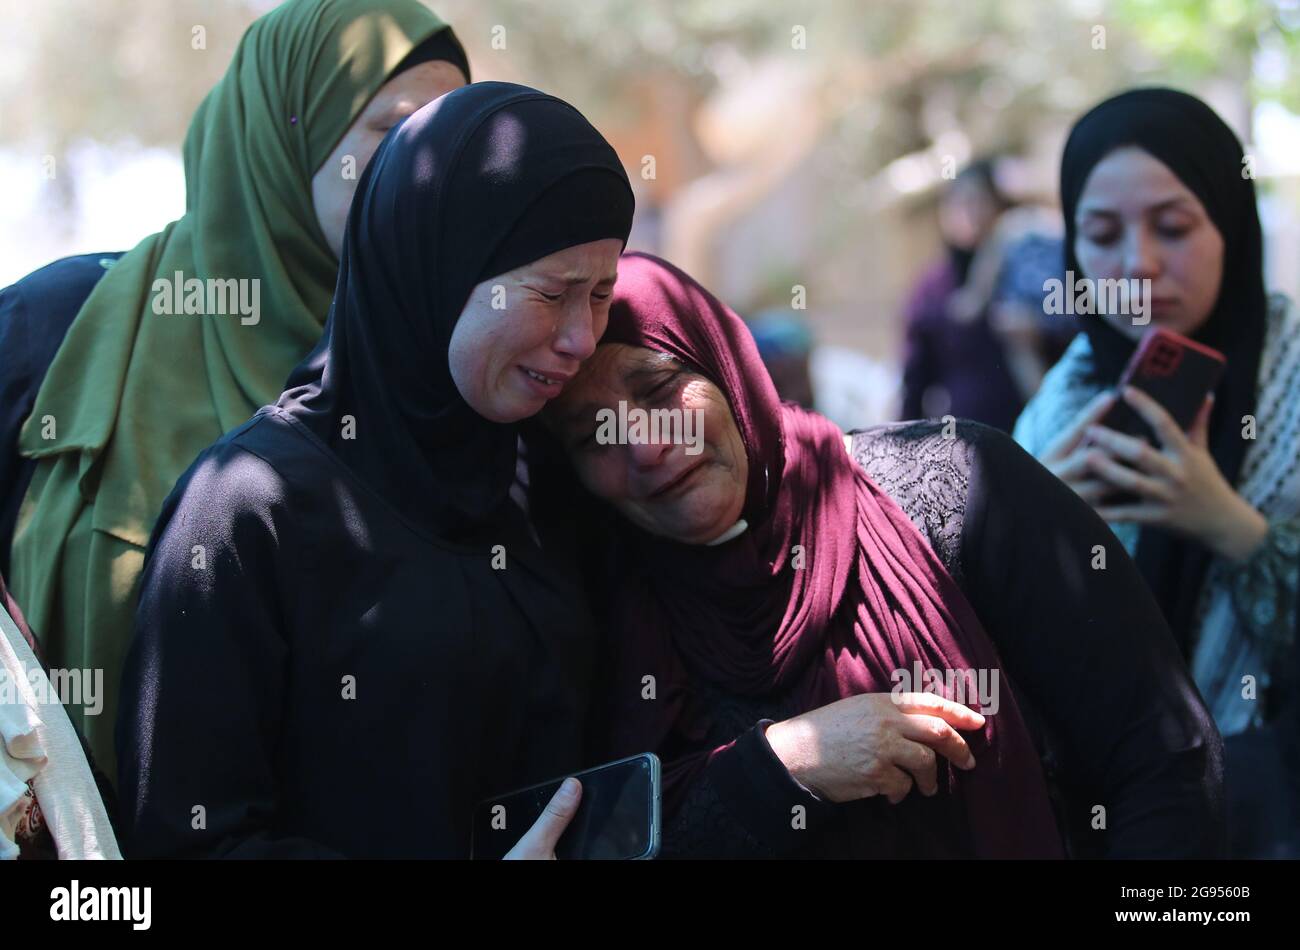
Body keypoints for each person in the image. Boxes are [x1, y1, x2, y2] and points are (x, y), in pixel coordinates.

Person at [533, 252, 1224, 859]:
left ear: (724, 363)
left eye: (659, 391)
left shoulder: (955, 487)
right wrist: (781, 769)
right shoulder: (599, 618)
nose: (648, 446)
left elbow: (1163, 757)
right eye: (596, 435)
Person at [116, 82, 636, 859]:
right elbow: (188, 845)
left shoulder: (548, 477)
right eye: (550, 292)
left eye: (600, 295)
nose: (578, 338)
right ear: (433, 267)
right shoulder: (249, 509)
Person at [1, 0, 470, 778]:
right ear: (285, 138)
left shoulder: (463, 373)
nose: (439, 165)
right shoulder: (57, 327)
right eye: (396, 128)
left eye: (458, 133)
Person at [1013, 87, 1300, 858]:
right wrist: (1036, 524)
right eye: (1101, 234)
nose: (1136, 264)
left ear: (1233, 228)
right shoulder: (1050, 417)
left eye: (1173, 227)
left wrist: (1232, 529)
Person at [899, 159, 1023, 431]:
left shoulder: (1022, 274)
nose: (971, 213)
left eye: (979, 202)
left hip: (1026, 432)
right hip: (963, 437)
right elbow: (915, 379)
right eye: (960, 203)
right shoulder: (932, 287)